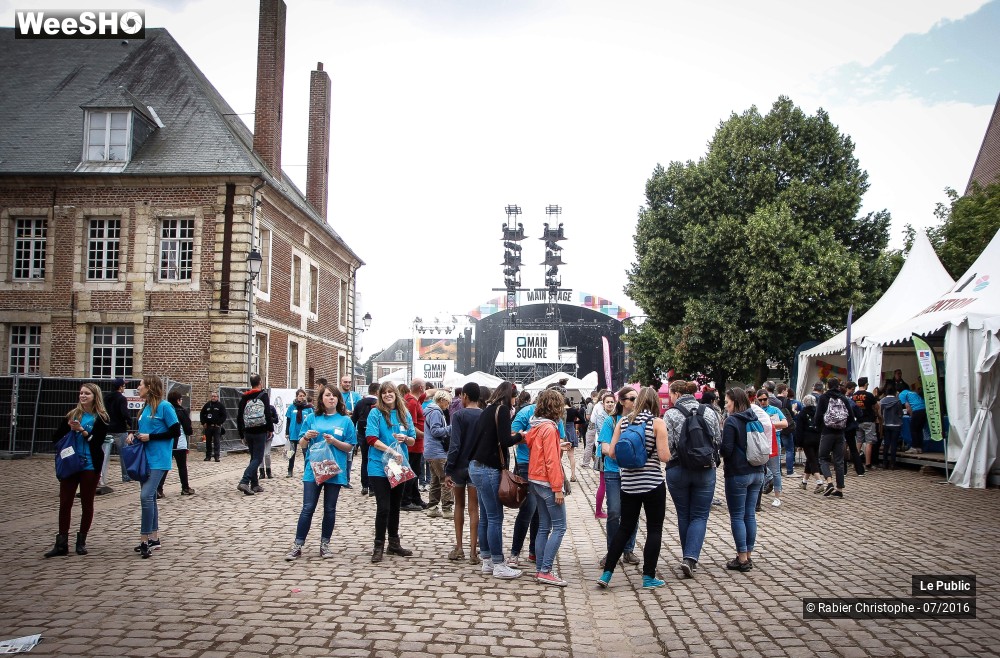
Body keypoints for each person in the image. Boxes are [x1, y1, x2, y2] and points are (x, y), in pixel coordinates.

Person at [597, 386, 669, 589]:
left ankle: (607, 574)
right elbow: (664, 457)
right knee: (654, 529)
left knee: (624, 528)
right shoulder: (657, 423)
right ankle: (648, 577)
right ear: (655, 402)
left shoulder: (623, 422)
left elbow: (611, 453)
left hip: (628, 484)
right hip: (653, 483)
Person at [284, 384, 356, 560]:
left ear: (338, 400)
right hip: (314, 469)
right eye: (328, 395)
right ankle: (297, 545)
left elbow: (349, 447)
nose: (331, 398)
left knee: (330, 509)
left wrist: (334, 442)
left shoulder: (345, 420)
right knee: (308, 508)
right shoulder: (312, 418)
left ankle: (325, 544)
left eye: (334, 396)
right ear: (321, 399)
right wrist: (306, 436)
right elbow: (302, 444)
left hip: (334, 469)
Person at [44, 383, 109, 558]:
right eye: (81, 393)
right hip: (71, 464)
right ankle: (61, 542)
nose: (83, 396)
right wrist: (69, 430)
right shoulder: (72, 415)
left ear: (95, 396)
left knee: (87, 503)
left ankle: (81, 542)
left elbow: (97, 442)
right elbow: (55, 438)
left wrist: (83, 431)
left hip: (89, 465)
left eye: (87, 393)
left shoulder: (101, 418)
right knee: (65, 502)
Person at [664, 381, 721, 578]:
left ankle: (686, 556)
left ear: (677, 393)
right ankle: (690, 557)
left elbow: (669, 444)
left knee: (683, 514)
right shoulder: (709, 411)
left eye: (671, 394)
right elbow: (717, 440)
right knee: (699, 515)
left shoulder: (671, 414)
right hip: (705, 468)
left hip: (678, 468)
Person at [468, 381, 524, 579]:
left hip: (476, 466)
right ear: (510, 396)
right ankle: (499, 564)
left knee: (486, 516)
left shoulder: (488, 409)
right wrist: (520, 435)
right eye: (515, 397)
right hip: (488, 469)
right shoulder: (502, 411)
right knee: (495, 518)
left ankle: (487, 560)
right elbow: (506, 441)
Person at [127, 375, 180, 558]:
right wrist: (134, 435)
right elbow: (146, 431)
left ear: (150, 387)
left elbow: (175, 431)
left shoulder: (165, 406)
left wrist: (151, 437)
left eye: (140, 384)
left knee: (146, 496)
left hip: (159, 458)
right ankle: (154, 538)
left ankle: (144, 539)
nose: (138, 387)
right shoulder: (144, 408)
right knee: (150, 498)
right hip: (145, 458)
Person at [365, 382, 417, 563]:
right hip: (378, 466)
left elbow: (412, 440)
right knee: (384, 507)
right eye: (384, 392)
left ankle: (393, 543)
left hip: (398, 467)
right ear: (380, 395)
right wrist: (392, 451)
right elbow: (371, 439)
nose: (388, 395)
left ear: (396, 394)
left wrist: (406, 438)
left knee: (395, 506)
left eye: (391, 392)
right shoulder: (376, 413)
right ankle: (378, 544)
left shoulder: (404, 414)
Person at [524, 389, 569, 586]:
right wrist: (558, 487)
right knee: (559, 527)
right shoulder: (550, 428)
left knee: (544, 526)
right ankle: (545, 570)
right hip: (547, 482)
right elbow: (551, 461)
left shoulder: (537, 426)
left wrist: (559, 445)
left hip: (535, 479)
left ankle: (541, 568)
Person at [720, 388, 765, 572]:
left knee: (737, 516)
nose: (725, 405)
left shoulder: (732, 421)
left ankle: (742, 558)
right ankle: (749, 554)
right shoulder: (754, 417)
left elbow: (727, 450)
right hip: (758, 471)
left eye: (727, 401)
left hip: (738, 473)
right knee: (750, 515)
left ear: (735, 402)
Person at [597, 388, 640, 568]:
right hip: (614, 472)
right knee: (614, 511)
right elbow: (606, 449)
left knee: (632, 512)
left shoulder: (639, 421)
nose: (635, 401)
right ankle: (612, 551)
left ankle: (628, 550)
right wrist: (626, 453)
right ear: (622, 401)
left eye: (636, 398)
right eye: (631, 398)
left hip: (633, 472)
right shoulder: (610, 421)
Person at [444, 382, 483, 564]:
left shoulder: (459, 415)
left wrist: (448, 469)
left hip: (459, 466)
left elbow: (455, 444)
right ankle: (474, 552)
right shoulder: (484, 415)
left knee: (459, 505)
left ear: (465, 396)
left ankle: (459, 547)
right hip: (477, 465)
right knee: (474, 508)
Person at [236, 374, 273, 496]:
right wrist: (270, 429)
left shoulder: (244, 397)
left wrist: (241, 434)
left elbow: (239, 416)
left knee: (253, 458)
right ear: (260, 382)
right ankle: (244, 481)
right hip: (260, 430)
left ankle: (255, 484)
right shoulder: (263, 395)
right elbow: (267, 413)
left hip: (248, 431)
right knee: (257, 458)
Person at [814, 378, 850, 498]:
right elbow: (851, 415)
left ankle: (829, 482)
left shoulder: (824, 397)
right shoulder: (843, 398)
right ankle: (839, 489)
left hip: (827, 432)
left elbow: (818, 415)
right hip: (840, 433)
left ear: (827, 386)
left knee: (823, 458)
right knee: (839, 461)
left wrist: (819, 427)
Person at [157, 389, 195, 496]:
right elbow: (188, 429)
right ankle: (185, 488)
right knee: (182, 466)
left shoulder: (164, 409)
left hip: (166, 441)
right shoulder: (181, 411)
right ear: (178, 400)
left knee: (165, 466)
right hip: (179, 442)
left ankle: (159, 488)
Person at [754, 390, 788, 509]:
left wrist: (771, 424)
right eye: (760, 400)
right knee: (761, 469)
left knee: (775, 470)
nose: (763, 402)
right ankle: (759, 497)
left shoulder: (774, 409)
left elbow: (785, 423)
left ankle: (777, 497)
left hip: (774, 442)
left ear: (768, 398)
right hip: (760, 443)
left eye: (765, 399)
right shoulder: (756, 410)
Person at [423, 390, 453, 518]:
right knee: (446, 479)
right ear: (441, 400)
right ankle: (447, 508)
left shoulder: (431, 410)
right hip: (437, 451)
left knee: (435, 480)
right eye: (447, 402)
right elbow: (435, 431)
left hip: (431, 450)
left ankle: (433, 507)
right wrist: (451, 428)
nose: (448, 405)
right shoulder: (436, 412)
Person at [98, 377, 131, 494]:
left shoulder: (106, 397)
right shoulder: (121, 398)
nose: (124, 388)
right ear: (120, 387)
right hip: (120, 429)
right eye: (124, 386)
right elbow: (124, 412)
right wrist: (129, 422)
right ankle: (126, 476)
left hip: (107, 428)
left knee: (103, 455)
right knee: (124, 454)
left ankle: (100, 477)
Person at [401, 378, 427, 511]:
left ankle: (415, 497)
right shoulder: (412, 403)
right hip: (414, 445)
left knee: (415, 472)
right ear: (421, 388)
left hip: (416, 444)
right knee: (412, 472)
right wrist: (426, 434)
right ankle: (405, 500)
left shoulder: (412, 399)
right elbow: (411, 426)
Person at [590, 390, 614, 519]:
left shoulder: (616, 416)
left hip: (612, 451)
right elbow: (602, 434)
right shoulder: (601, 417)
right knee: (603, 483)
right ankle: (598, 511)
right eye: (607, 402)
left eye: (612, 402)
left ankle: (611, 507)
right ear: (603, 404)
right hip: (603, 452)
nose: (610, 404)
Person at [352, 383, 379, 496]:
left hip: (362, 434)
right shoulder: (379, 404)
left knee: (365, 460)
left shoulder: (360, 403)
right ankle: (373, 487)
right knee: (374, 459)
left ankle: (364, 485)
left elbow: (353, 420)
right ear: (377, 391)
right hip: (376, 435)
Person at [794, 395, 824, 490]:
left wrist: (798, 444)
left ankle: (819, 482)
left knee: (812, 460)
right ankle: (804, 482)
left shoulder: (802, 413)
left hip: (807, 440)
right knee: (810, 459)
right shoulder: (818, 412)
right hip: (818, 438)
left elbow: (799, 430)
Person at [284, 389, 314, 478]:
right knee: (291, 453)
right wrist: (287, 432)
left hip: (304, 434)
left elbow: (311, 420)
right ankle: (290, 470)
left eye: (303, 396)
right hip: (293, 432)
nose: (301, 397)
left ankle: (307, 470)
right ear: (296, 396)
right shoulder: (291, 407)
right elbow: (288, 420)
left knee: (306, 453)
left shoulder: (309, 408)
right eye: (300, 395)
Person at [339, 375, 362, 486]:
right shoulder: (337, 395)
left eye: (349, 382)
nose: (347, 384)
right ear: (341, 382)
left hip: (351, 428)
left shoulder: (355, 396)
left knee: (349, 454)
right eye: (345, 382)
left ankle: (346, 479)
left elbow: (359, 410)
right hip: (338, 427)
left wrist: (351, 413)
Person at [852, 377, 879, 470]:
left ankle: (855, 462)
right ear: (865, 384)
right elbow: (876, 406)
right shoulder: (869, 395)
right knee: (869, 442)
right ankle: (868, 464)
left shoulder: (854, 395)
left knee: (858, 442)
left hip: (858, 421)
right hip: (869, 420)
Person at [878, 384, 904, 469]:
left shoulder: (882, 401)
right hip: (896, 424)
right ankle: (893, 463)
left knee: (886, 443)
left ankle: (884, 463)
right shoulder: (898, 401)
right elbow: (900, 413)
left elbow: (880, 413)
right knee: (894, 444)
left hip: (886, 424)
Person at [199, 390, 227, 463]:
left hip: (216, 427)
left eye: (215, 396)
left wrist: (219, 423)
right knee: (208, 442)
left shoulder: (220, 406)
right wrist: (203, 422)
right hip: (208, 426)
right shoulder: (207, 405)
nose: (213, 398)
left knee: (216, 442)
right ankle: (208, 456)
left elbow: (224, 415)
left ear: (217, 397)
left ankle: (216, 456)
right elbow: (202, 414)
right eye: (212, 396)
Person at [900, 382, 927, 454]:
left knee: (913, 429)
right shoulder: (913, 393)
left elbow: (907, 407)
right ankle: (919, 447)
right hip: (924, 410)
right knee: (919, 429)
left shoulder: (902, 394)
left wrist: (912, 415)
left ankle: (914, 447)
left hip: (917, 411)